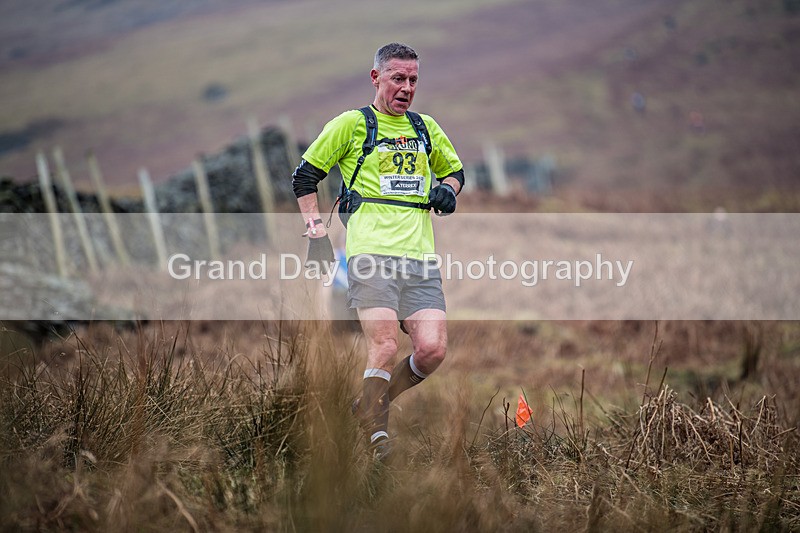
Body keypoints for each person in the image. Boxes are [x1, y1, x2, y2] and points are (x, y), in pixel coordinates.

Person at [291, 42, 465, 459]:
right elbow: (304, 177)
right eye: (397, 78)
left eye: (413, 80)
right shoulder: (351, 125)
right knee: (385, 346)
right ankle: (377, 438)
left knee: (432, 350)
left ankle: (372, 402)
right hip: (370, 256)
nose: (407, 88)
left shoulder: (425, 128)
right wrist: (316, 234)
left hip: (419, 258)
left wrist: (447, 190)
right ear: (376, 78)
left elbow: (455, 172)